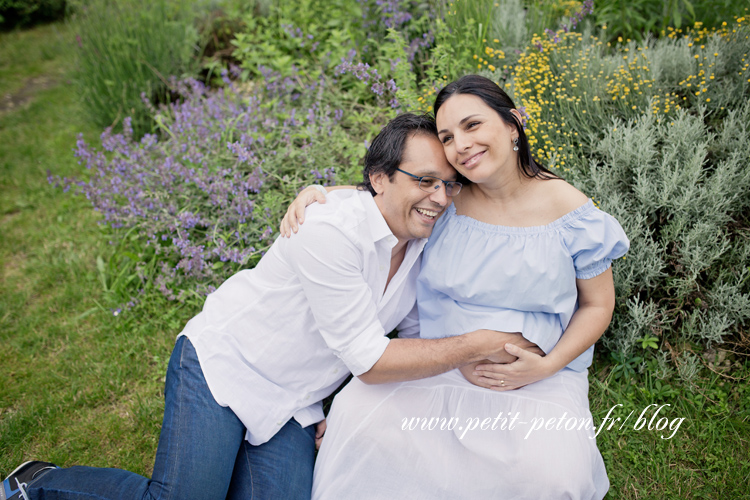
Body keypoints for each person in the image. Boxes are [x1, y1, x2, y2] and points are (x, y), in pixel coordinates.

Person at [1, 113, 543, 500]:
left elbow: (412, 340)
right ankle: (39, 482)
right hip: (228, 364)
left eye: (448, 184)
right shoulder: (330, 230)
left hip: (293, 402)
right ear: (378, 178)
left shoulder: (424, 245)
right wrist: (476, 344)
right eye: (424, 181)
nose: (439, 198)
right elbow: (372, 359)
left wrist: (345, 410)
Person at [281, 75, 629, 499]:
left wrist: (548, 365)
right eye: (447, 136)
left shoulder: (571, 211)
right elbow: (389, 192)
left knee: (551, 476)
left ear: (513, 124)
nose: (459, 145)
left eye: (472, 125)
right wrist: (319, 193)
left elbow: (597, 305)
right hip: (433, 363)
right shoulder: (446, 200)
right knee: (360, 433)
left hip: (533, 379)